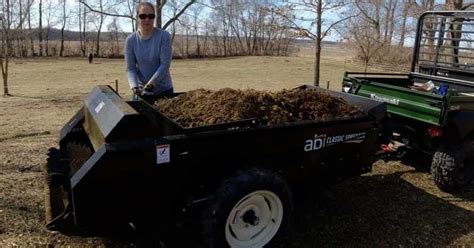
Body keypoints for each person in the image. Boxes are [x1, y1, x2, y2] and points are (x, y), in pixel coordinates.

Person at [124, 2, 173, 102]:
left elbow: (165, 65)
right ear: (137, 17)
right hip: (141, 92)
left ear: (154, 17)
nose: (147, 19)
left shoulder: (164, 36)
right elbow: (130, 69)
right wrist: (134, 87)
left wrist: (150, 85)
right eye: (143, 16)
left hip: (163, 92)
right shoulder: (130, 40)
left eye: (151, 16)